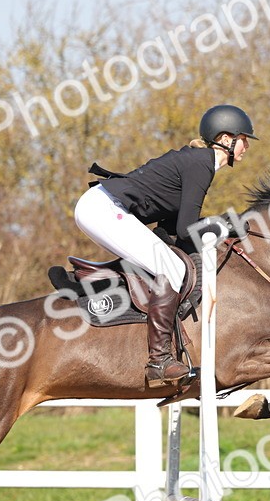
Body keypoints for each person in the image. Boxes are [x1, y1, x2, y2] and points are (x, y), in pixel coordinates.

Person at [74, 104, 257, 387]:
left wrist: (220, 226)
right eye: (244, 138)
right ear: (225, 139)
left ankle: (86, 284)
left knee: (161, 258)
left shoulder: (196, 161)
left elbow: (173, 232)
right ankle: (158, 361)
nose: (247, 145)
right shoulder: (202, 163)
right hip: (103, 208)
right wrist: (223, 225)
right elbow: (187, 228)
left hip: (99, 205)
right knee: (171, 268)